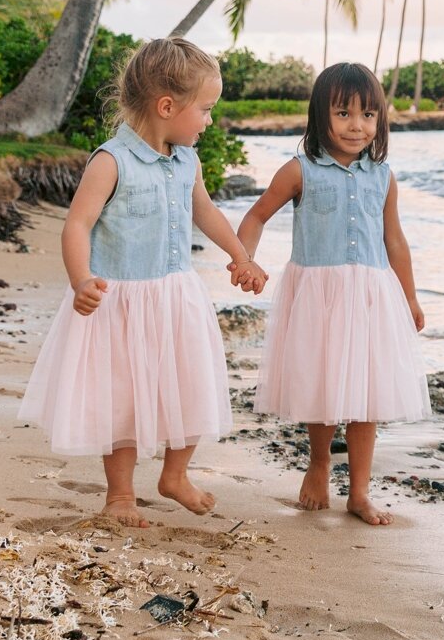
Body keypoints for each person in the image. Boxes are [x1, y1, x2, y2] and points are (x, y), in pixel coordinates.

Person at [20, 38, 267, 528]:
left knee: (192, 383)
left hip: (176, 297)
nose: (210, 121)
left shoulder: (187, 162)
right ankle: (120, 495)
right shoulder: (112, 161)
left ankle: (175, 475)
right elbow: (76, 225)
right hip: (121, 302)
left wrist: (241, 255)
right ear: (167, 106)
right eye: (206, 109)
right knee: (124, 398)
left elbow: (205, 211)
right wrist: (80, 280)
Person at [237, 63, 429, 524]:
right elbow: (257, 215)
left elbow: (395, 241)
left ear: (380, 120)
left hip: (371, 296)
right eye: (343, 113)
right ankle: (319, 463)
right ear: (319, 116)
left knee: (369, 395)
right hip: (318, 296)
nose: (356, 125)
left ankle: (360, 493)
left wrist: (411, 299)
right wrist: (245, 259)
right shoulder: (299, 170)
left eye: (368, 115)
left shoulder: (383, 176)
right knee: (321, 387)